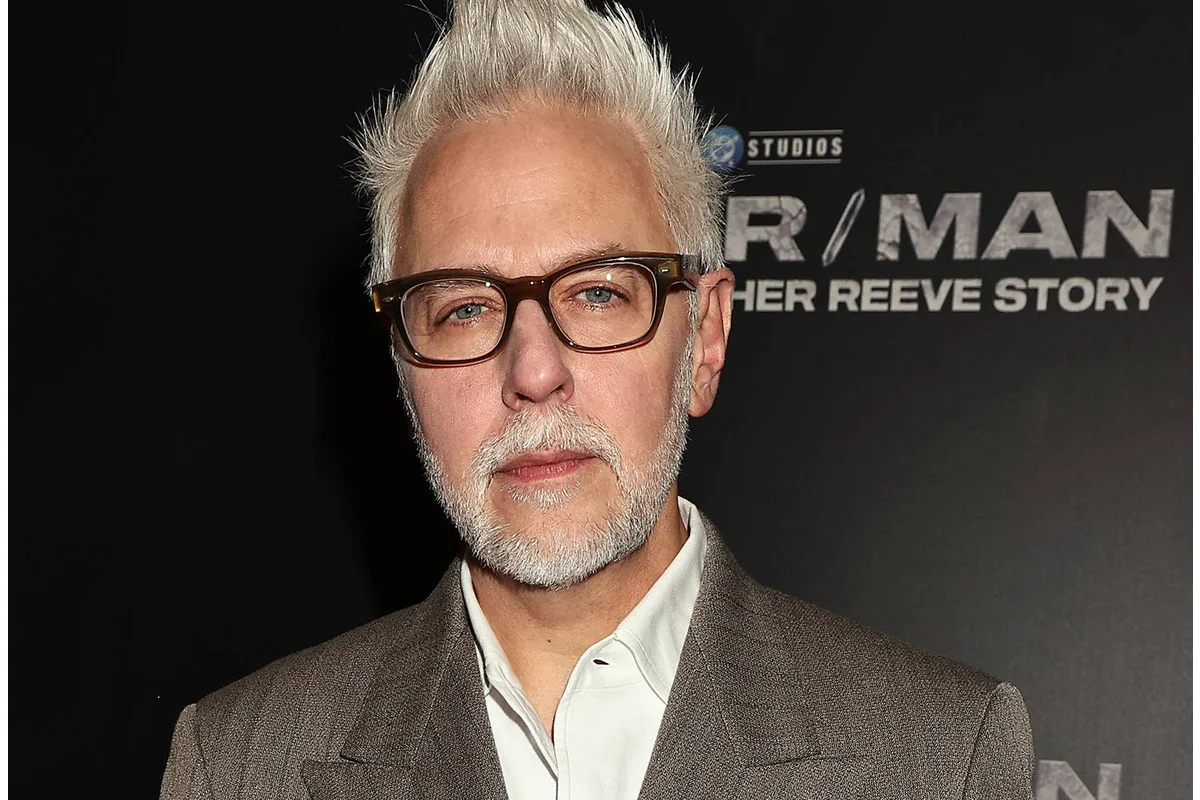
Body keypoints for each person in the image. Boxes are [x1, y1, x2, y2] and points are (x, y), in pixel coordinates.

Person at [160, 1, 1035, 797]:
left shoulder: (939, 757)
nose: (534, 371)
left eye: (599, 293)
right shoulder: (237, 767)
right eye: (464, 308)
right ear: (401, 363)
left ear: (705, 339)